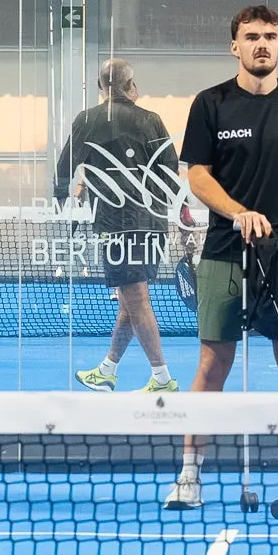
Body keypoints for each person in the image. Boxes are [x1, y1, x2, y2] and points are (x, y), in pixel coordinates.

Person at [162, 6, 278, 510]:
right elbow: (198, 176)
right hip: (224, 252)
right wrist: (239, 213)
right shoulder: (210, 103)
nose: (261, 43)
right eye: (251, 36)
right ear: (234, 46)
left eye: (270, 36)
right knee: (213, 362)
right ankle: (189, 477)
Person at [53, 57, 179, 394]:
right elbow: (170, 170)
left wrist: (61, 199)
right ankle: (108, 370)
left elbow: (65, 167)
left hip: (117, 225)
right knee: (130, 297)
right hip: (153, 224)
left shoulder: (88, 119)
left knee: (135, 298)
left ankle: (162, 379)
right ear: (131, 86)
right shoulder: (152, 120)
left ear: (101, 88)